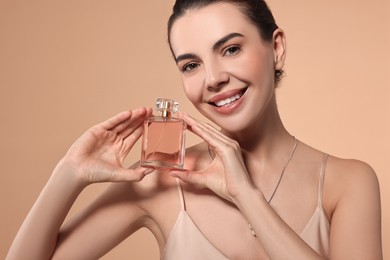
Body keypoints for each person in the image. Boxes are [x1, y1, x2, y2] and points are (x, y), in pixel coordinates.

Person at [7, 0, 383, 259]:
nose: (214, 79)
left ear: (277, 48)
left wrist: (244, 194)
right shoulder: (162, 182)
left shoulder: (347, 182)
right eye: (190, 65)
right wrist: (69, 173)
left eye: (231, 49)